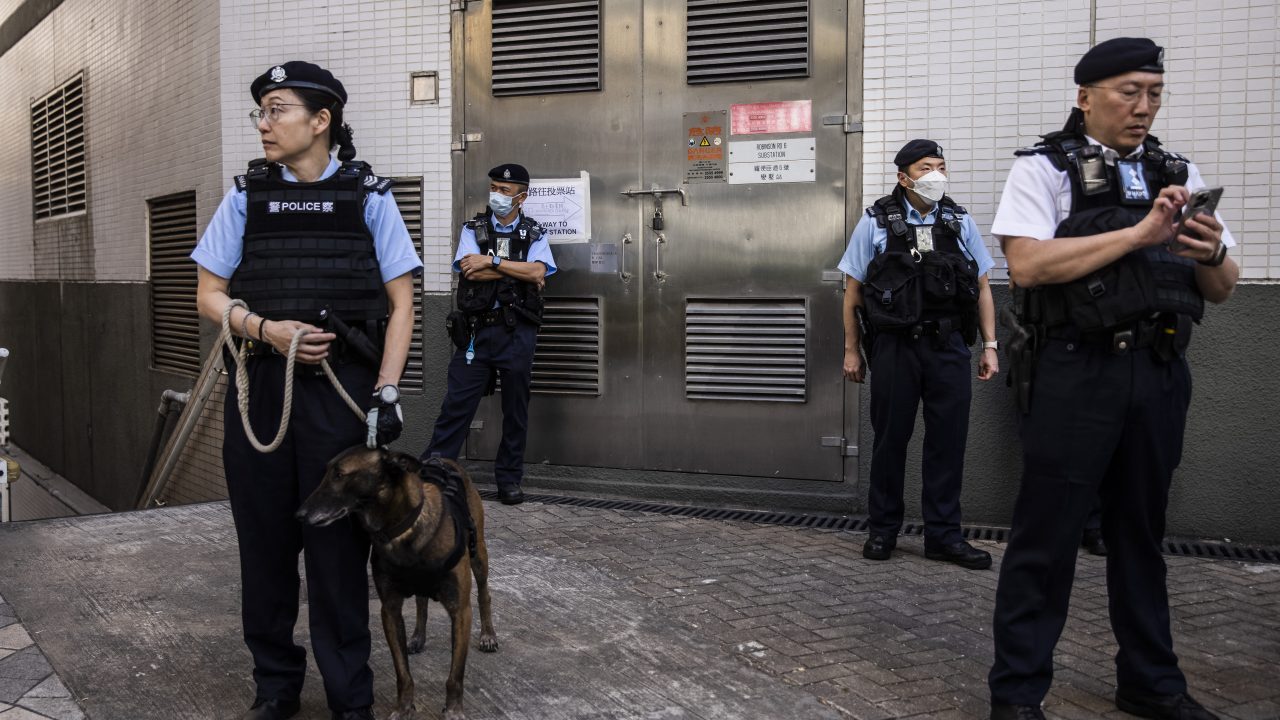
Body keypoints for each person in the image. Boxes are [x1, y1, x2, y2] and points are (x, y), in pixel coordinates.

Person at [988, 38, 1237, 720]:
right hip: (1076, 370)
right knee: (1048, 537)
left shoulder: (1176, 169)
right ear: (1086, 96)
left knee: (1141, 534)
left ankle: (1151, 683)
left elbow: (1222, 288)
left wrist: (1209, 249)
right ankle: (1015, 695)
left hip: (1157, 372)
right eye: (1129, 91)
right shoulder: (1044, 169)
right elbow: (1029, 266)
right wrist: (1139, 236)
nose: (1144, 106)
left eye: (1154, 93)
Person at [193, 61, 422, 720]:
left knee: (336, 554)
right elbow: (209, 295)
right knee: (264, 546)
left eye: (278, 109)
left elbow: (401, 304)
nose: (264, 123)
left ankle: (352, 698)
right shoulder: (244, 199)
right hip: (264, 390)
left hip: (339, 394)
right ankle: (276, 687)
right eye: (260, 111)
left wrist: (386, 388)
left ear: (321, 121)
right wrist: (266, 329)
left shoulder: (369, 198)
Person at [839, 139, 1000, 570]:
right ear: (903, 176)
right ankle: (882, 531)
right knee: (891, 440)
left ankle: (944, 537)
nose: (937, 175)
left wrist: (990, 345)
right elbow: (852, 292)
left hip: (948, 346)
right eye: (927, 167)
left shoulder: (958, 220)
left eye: (941, 166)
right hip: (895, 348)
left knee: (947, 443)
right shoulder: (875, 222)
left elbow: (983, 285)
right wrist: (852, 351)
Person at [421, 163, 556, 505]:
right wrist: (516, 271)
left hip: (517, 334)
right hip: (476, 335)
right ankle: (434, 473)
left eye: (505, 191)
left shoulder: (535, 233)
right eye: (494, 188)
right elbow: (469, 270)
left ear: (521, 197)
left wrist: (492, 263)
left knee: (515, 411)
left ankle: (509, 480)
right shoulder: (473, 229)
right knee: (456, 406)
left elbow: (539, 271)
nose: (497, 195)